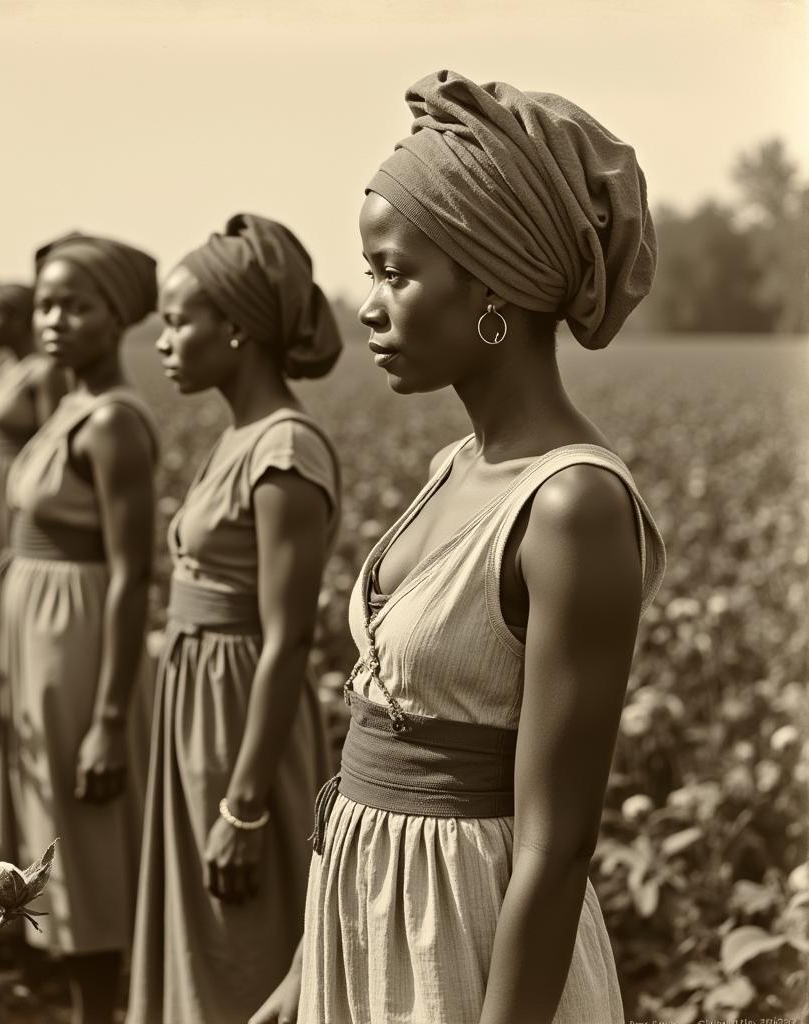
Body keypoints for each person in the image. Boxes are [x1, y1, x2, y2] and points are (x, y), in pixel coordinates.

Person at [254, 71, 667, 1024]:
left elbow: (557, 845)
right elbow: (381, 753)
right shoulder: (455, 463)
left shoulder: (572, 507)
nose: (369, 305)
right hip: (369, 926)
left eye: (395, 272)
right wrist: (310, 969)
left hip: (469, 951)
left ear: (495, 284)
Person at [128, 214, 342, 1024]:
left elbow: (288, 638)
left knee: (240, 947)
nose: (164, 342)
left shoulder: (286, 450)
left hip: (238, 720)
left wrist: (242, 806)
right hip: (196, 711)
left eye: (180, 321)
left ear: (239, 328)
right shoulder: (238, 437)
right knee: (201, 941)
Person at [0, 232, 159, 1024]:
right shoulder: (69, 405)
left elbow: (132, 572)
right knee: (52, 820)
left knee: (82, 836)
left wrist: (109, 720)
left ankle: (99, 1009)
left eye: (76, 305)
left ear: (116, 317)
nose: (54, 319)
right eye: (45, 303)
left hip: (76, 637)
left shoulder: (115, 421)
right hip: (35, 633)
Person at [0, 281, 66, 592]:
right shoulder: (9, 368)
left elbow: (52, 445)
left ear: (19, 320)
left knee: (12, 579)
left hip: (13, 483)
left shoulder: (44, 371)